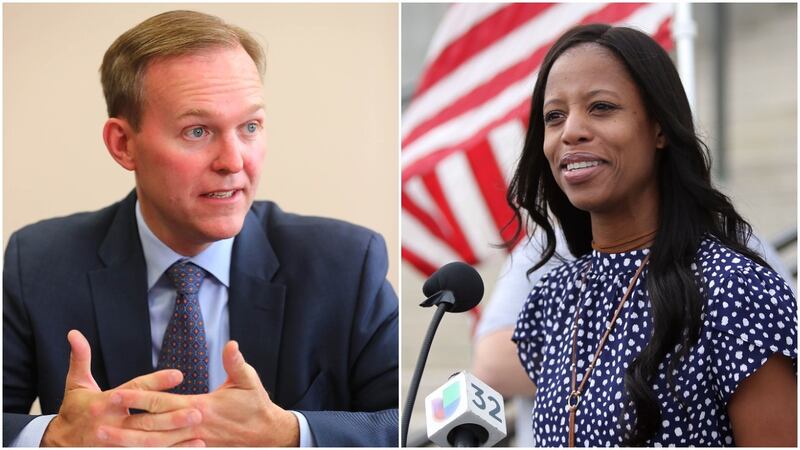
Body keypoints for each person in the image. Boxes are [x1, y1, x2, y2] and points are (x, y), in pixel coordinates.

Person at [3, 10, 398, 447]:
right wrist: (50, 436)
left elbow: (406, 419)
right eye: (197, 131)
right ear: (123, 144)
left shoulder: (346, 263)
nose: (233, 161)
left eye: (250, 127)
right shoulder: (38, 262)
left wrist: (291, 432)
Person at [505, 24, 796, 446]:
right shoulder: (552, 298)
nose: (571, 132)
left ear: (660, 128)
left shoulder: (735, 290)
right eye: (554, 116)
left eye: (601, 107)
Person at [472, 230, 793, 446]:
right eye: (554, 122)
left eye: (602, 121)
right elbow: (492, 362)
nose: (573, 134)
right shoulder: (552, 262)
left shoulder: (733, 264)